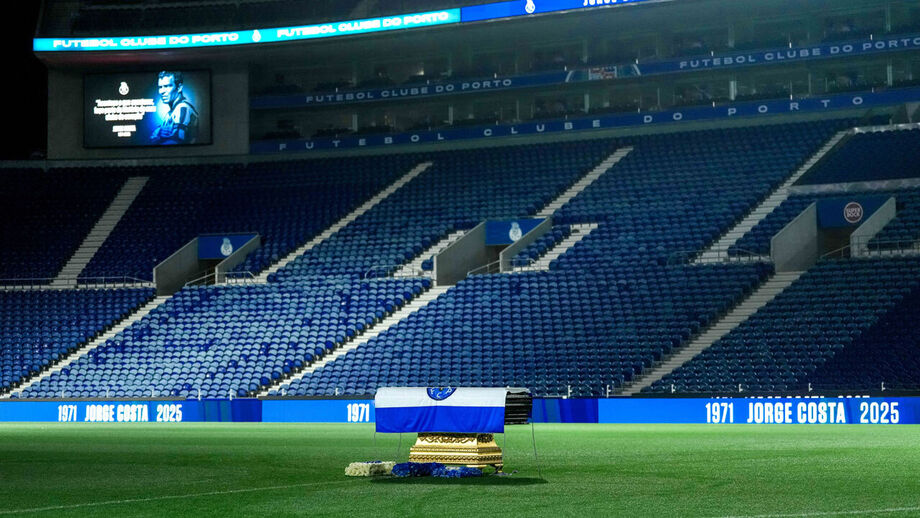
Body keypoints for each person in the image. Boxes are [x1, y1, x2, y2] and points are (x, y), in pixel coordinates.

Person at [151, 71, 199, 144]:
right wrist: (159, 133)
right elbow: (152, 138)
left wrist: (159, 135)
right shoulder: (168, 114)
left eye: (167, 86)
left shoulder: (183, 108)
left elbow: (175, 142)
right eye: (160, 87)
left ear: (179, 87)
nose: (162, 91)